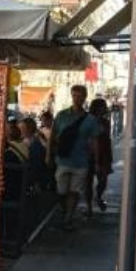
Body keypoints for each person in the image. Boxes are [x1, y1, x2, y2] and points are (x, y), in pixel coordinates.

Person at [48, 85, 100, 230]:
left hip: (81, 161)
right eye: (74, 96)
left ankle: (68, 218)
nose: (77, 99)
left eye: (80, 96)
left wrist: (96, 162)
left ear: (85, 97)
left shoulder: (90, 120)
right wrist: (48, 156)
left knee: (74, 192)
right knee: (61, 192)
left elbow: (95, 142)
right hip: (63, 160)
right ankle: (66, 213)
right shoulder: (61, 115)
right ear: (72, 96)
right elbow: (52, 136)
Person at [85, 98, 113, 216]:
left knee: (103, 180)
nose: (104, 108)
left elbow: (106, 139)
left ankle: (98, 197)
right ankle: (89, 207)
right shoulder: (87, 121)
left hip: (104, 154)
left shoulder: (106, 122)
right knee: (88, 182)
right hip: (88, 154)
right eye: (102, 106)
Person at [19, 117, 47, 192]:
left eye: (22, 128)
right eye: (20, 128)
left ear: (29, 129)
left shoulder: (36, 145)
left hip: (30, 178)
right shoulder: (23, 141)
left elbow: (36, 166)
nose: (20, 130)